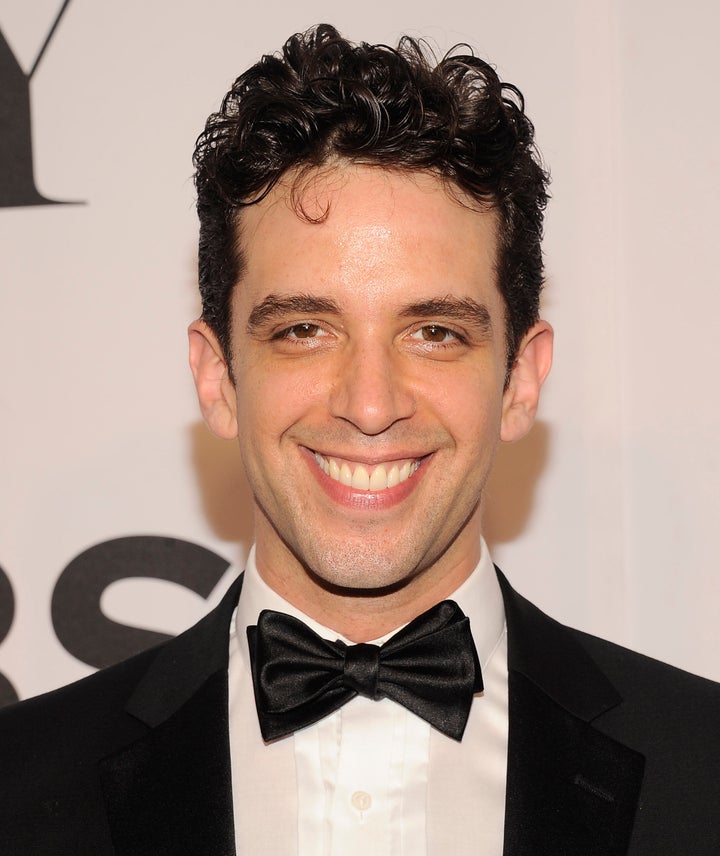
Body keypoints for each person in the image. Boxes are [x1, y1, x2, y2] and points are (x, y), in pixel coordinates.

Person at [0, 23, 718, 856]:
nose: (370, 404)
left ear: (521, 380)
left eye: (435, 332)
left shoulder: (700, 773)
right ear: (217, 376)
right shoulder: (20, 790)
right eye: (304, 328)